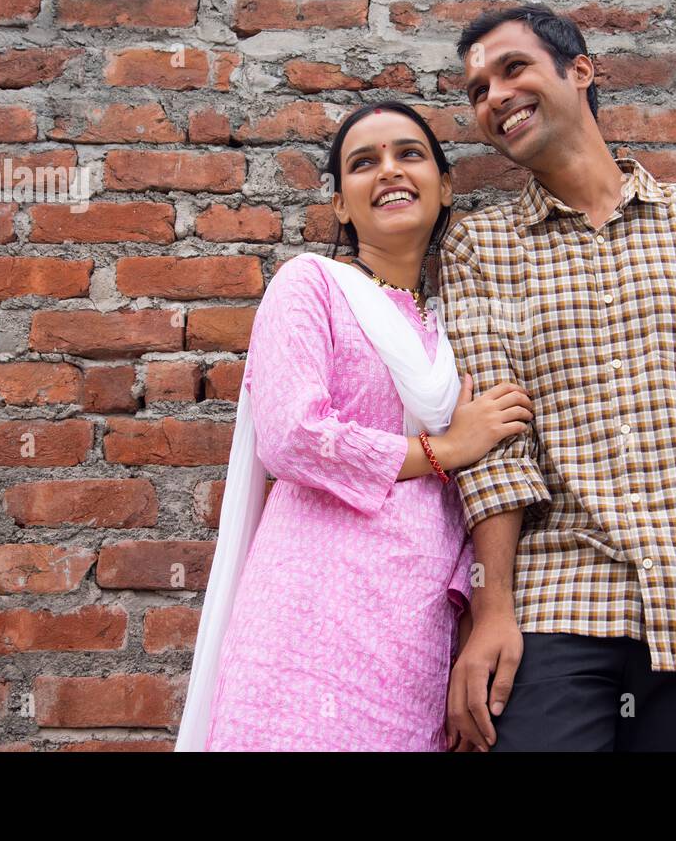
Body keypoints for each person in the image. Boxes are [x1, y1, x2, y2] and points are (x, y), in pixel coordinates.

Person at [440, 5, 676, 752]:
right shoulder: (480, 247)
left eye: (512, 69)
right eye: (477, 89)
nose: (494, 97)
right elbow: (496, 448)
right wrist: (492, 613)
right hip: (558, 608)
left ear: (580, 70)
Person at [175, 101, 534, 751]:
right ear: (341, 204)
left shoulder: (460, 335)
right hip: (310, 616)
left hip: (414, 635)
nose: (389, 171)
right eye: (363, 163)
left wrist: (472, 613)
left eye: (409, 154)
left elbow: (478, 494)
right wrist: (446, 447)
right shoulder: (310, 286)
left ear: (446, 185)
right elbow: (293, 436)